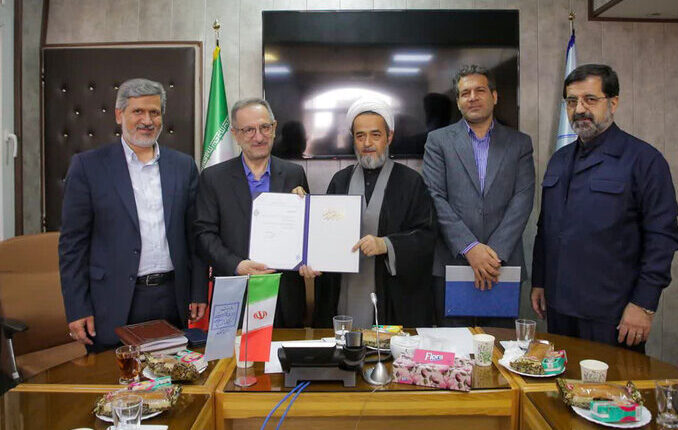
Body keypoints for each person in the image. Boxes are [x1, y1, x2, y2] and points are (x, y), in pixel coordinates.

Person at [531, 64, 678, 352]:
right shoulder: (560, 160)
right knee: (562, 378)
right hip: (560, 306)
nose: (579, 109)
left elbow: (663, 238)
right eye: (572, 101)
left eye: (590, 99)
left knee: (612, 382)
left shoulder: (643, 160)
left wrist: (644, 304)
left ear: (613, 103)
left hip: (612, 312)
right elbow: (545, 228)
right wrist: (539, 281)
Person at [59, 78, 207, 352]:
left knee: (168, 374)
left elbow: (194, 235)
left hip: (171, 297)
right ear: (119, 115)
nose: (147, 120)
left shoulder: (183, 166)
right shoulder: (88, 167)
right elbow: (72, 246)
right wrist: (77, 307)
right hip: (111, 301)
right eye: (138, 111)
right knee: (112, 376)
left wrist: (198, 291)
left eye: (154, 112)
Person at [304, 97, 436, 328]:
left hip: (391, 296)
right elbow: (323, 234)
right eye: (360, 136)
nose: (367, 143)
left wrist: (386, 244)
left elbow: (426, 236)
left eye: (375, 135)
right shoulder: (340, 180)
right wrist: (312, 257)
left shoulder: (411, 182)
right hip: (343, 289)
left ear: (389, 137)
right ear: (353, 139)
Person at [423, 65, 535, 327]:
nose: (472, 97)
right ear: (458, 102)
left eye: (479, 91)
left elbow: (523, 199)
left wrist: (492, 255)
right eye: (465, 93)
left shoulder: (519, 143)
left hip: (501, 266)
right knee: (454, 346)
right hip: (453, 263)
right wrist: (470, 248)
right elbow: (434, 197)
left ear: (494, 96)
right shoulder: (438, 141)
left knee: (498, 345)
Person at [194, 98, 308, 328]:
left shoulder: (294, 173)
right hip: (234, 290)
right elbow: (203, 234)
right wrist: (237, 265)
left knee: (285, 351)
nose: (259, 137)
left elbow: (305, 233)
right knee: (235, 353)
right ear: (235, 135)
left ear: (274, 128)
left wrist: (305, 209)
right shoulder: (213, 178)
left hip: (285, 294)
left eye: (265, 127)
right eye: (248, 130)